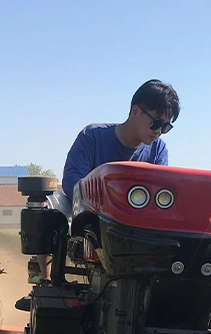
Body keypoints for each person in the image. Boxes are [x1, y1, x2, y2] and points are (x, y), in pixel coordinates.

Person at [37, 79, 180, 278]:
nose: (158, 131)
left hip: (135, 217)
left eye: (165, 127)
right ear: (135, 111)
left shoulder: (158, 150)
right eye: (156, 122)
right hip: (88, 211)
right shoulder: (93, 136)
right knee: (47, 209)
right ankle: (49, 279)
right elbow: (71, 181)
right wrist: (97, 207)